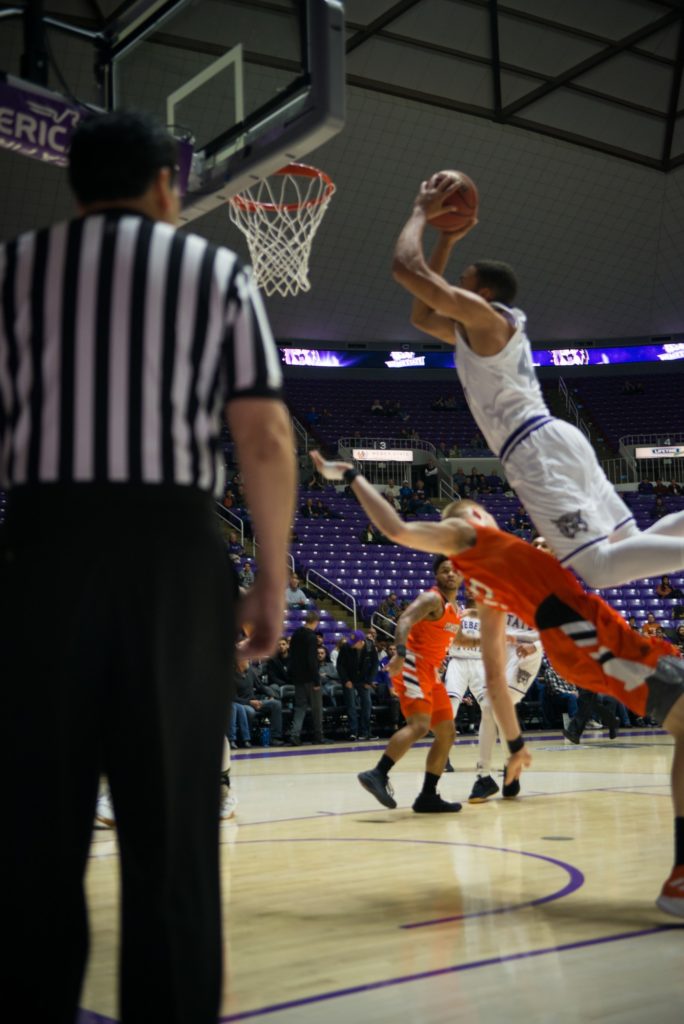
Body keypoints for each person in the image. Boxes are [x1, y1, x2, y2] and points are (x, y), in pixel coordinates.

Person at [0, 110, 296, 1024]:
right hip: (172, 556)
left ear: (76, 185)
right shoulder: (215, 271)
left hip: (42, 550)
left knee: (34, 840)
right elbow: (266, 435)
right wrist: (273, 580)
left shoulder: (12, 267)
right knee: (170, 836)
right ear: (167, 187)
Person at [310, 451, 684, 917]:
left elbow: (494, 676)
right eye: (470, 512)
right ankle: (679, 880)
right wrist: (353, 477)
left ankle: (679, 876)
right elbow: (398, 530)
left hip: (579, 643)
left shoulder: (486, 586)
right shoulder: (469, 536)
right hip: (588, 640)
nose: (479, 513)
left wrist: (517, 744)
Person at [389, 172, 684, 590]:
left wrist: (421, 213)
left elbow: (405, 269)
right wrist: (447, 241)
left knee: (600, 569)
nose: (454, 286)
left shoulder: (487, 320)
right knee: (628, 542)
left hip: (534, 452)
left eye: (463, 281)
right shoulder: (484, 330)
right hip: (554, 438)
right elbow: (420, 316)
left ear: (484, 294)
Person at [356, 557, 464, 813]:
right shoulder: (432, 599)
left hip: (431, 672)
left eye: (454, 570)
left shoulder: (455, 608)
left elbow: (453, 639)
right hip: (413, 664)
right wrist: (401, 653)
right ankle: (377, 774)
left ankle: (428, 795)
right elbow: (404, 620)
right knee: (419, 726)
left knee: (447, 733)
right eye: (444, 570)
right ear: (437, 576)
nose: (450, 574)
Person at [287, 609, 325, 744]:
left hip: (298, 677)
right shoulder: (312, 637)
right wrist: (316, 680)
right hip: (310, 678)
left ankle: (294, 735)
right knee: (317, 708)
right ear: (315, 622)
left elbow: (290, 655)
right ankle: (318, 736)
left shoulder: (296, 634)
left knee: (300, 707)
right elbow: (311, 660)